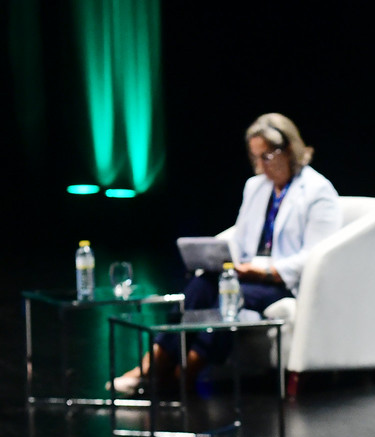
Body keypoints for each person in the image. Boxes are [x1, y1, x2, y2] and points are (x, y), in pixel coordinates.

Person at [111, 113, 340, 392]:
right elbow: (241, 239)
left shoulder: (317, 191)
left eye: (267, 157)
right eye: (255, 158)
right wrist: (220, 260)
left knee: (228, 296)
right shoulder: (256, 186)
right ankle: (154, 364)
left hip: (284, 282)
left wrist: (266, 271)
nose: (261, 166)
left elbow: (317, 255)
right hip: (248, 273)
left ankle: (187, 371)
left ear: (289, 149)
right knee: (200, 285)